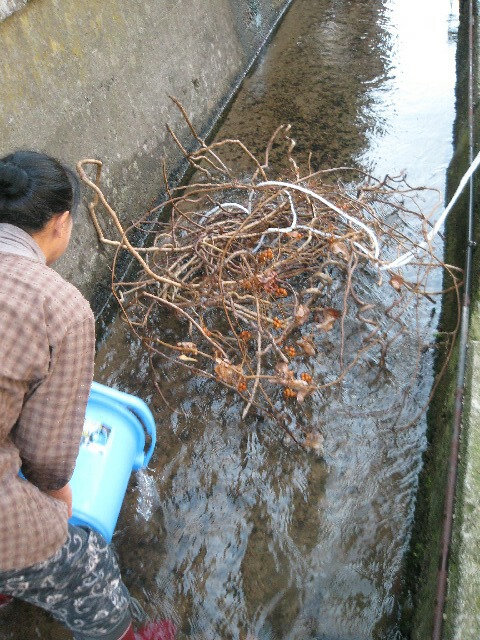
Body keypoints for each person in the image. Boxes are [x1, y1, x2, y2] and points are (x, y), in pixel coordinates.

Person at [0, 151, 174, 640]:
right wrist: (60, 511)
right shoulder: (60, 307)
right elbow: (50, 462)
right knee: (86, 560)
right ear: (60, 224)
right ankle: (120, 633)